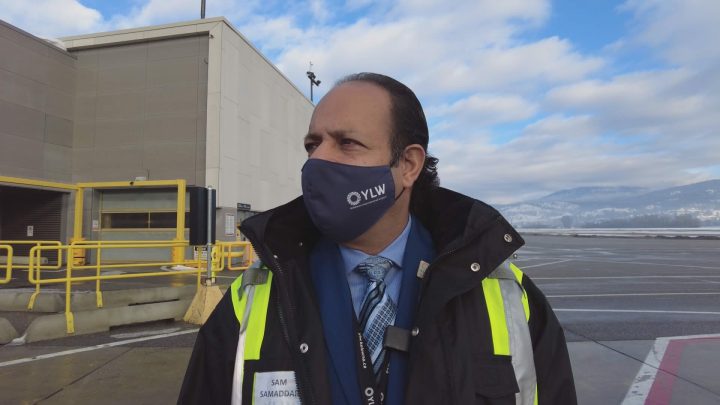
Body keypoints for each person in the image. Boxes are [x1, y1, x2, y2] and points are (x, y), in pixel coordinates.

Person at [178, 73, 577, 405]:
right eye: (313, 145)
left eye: (347, 143)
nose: (317, 160)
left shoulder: (509, 298)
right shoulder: (252, 298)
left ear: (408, 165)